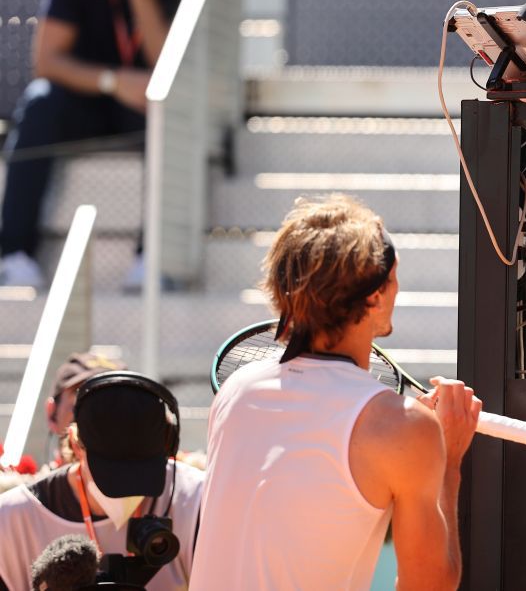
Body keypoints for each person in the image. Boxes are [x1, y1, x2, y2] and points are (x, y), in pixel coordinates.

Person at [190, 194, 482, 591]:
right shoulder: (407, 428)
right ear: (375, 294)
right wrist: (448, 459)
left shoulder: (235, 393)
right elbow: (431, 585)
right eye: (393, 276)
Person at [0, 0, 195, 289]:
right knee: (39, 102)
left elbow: (168, 65)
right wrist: (113, 81)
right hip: (89, 99)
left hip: (146, 105)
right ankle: (14, 255)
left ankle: (151, 257)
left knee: (171, 110)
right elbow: (48, 61)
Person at [0, 371, 205, 591]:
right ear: (76, 445)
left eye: (141, 469)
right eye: (113, 470)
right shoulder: (13, 521)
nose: (128, 486)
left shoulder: (196, 500)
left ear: (167, 447)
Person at [44, 351, 127, 469]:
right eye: (83, 393)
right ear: (52, 413)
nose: (100, 416)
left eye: (114, 400)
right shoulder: (30, 486)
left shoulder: (155, 485)